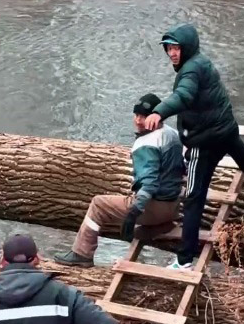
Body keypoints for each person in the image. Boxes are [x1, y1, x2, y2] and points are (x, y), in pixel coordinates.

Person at [142, 23, 244, 269]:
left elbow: (183, 96)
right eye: (169, 48)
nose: (172, 53)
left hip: (204, 142)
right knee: (242, 155)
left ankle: (185, 259)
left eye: (176, 48)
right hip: (225, 127)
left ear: (187, 48)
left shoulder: (189, 72)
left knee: (193, 197)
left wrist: (159, 112)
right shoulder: (202, 63)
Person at [54, 93, 185, 267]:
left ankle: (82, 253)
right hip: (174, 205)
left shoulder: (147, 143)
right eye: (136, 115)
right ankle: (161, 226)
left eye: (144, 117)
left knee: (98, 204)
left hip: (154, 207)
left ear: (155, 117)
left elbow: (150, 184)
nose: (138, 121)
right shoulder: (172, 134)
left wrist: (134, 212)